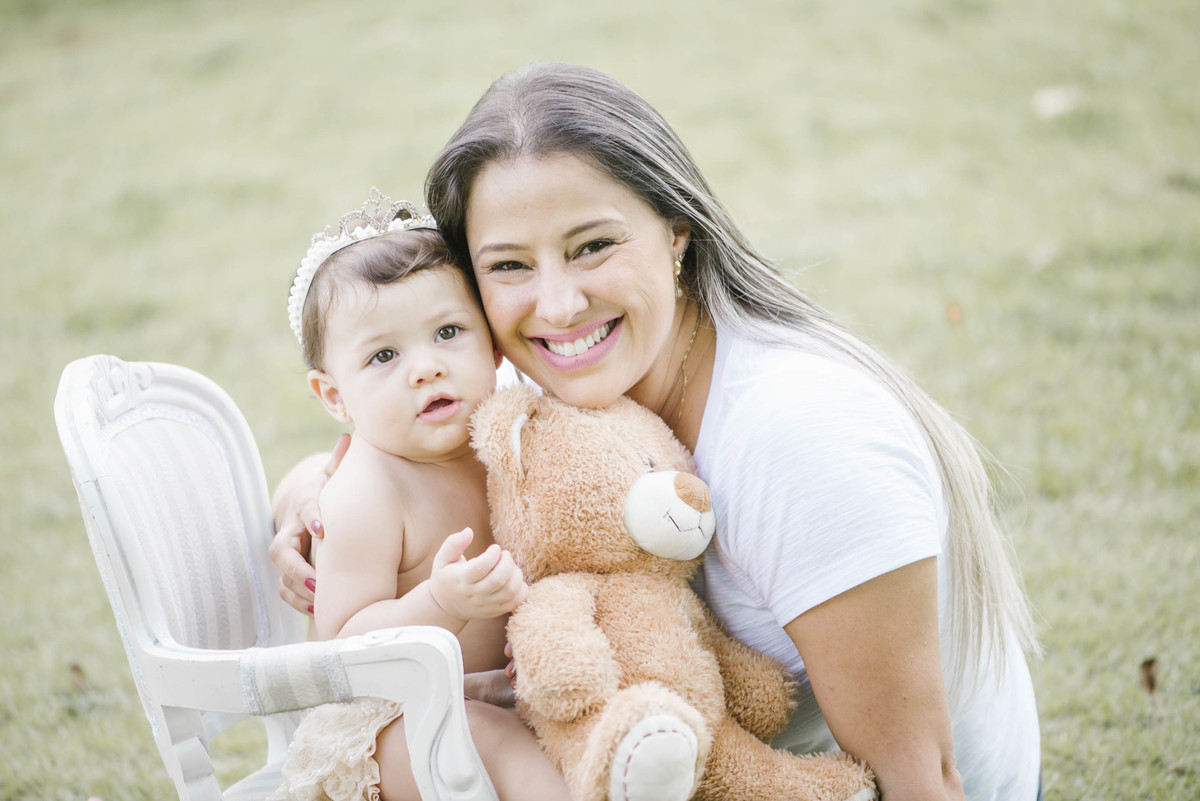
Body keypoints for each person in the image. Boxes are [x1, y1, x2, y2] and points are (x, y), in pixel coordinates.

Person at [272, 65, 1041, 801]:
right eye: (509, 265)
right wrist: (309, 499)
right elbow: (397, 465)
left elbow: (926, 782)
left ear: (677, 231)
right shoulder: (555, 389)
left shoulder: (797, 438)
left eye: (593, 245)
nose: (560, 304)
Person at [269, 189, 569, 801]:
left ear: (492, 347)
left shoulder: (509, 440)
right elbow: (343, 643)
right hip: (385, 729)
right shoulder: (366, 492)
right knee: (499, 744)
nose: (426, 367)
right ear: (334, 396)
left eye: (449, 332)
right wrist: (440, 601)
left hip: (500, 699)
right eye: (384, 354)